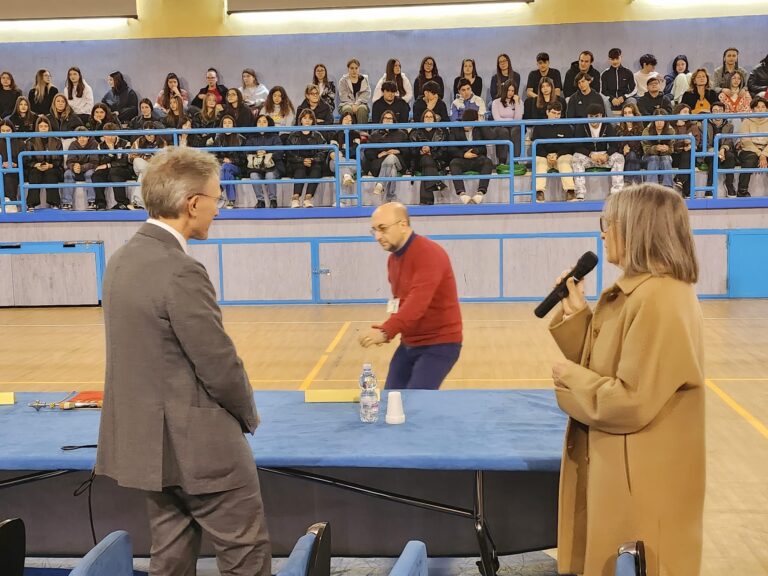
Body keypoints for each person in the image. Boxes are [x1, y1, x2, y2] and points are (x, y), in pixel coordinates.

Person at [96, 146, 271, 576]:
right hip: (203, 450)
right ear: (192, 204)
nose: (219, 207)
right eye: (217, 198)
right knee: (245, 557)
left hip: (150, 450)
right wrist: (248, 415)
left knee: (169, 558)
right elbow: (219, 365)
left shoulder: (120, 260)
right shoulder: (180, 270)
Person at [549, 183, 704, 576]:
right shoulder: (640, 293)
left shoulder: (660, 299)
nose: (602, 232)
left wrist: (570, 380)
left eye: (609, 223)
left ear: (636, 229)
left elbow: (630, 400)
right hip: (623, 464)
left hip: (640, 481)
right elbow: (611, 366)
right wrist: (578, 314)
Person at [359, 202, 462, 390]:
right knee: (392, 399)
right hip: (409, 344)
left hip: (440, 344)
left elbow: (417, 304)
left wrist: (385, 332)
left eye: (382, 229)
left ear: (403, 225)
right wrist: (388, 329)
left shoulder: (428, 254)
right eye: (374, 230)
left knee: (415, 403)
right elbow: (400, 303)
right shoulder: (393, 260)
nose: (378, 236)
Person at [571, 103, 624, 199]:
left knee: (619, 158)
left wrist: (607, 155)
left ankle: (616, 193)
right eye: (591, 116)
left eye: (597, 116)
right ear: (587, 116)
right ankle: (580, 193)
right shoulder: (581, 126)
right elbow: (577, 146)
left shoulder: (607, 126)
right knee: (575, 158)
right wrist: (590, 154)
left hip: (604, 156)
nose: (594, 119)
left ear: (601, 116)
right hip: (588, 157)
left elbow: (614, 145)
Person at [447, 108, 495, 205]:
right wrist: (463, 154)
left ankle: (480, 193)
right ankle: (462, 194)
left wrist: (481, 124)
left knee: (488, 162)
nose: (465, 125)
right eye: (464, 122)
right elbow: (451, 148)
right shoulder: (456, 128)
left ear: (475, 122)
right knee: (453, 163)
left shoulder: (479, 128)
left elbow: (491, 138)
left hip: (477, 157)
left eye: (469, 122)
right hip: (462, 158)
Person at [531, 101, 574, 202]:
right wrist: (546, 155)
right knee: (539, 162)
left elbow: (569, 146)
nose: (556, 116)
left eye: (558, 114)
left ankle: (570, 192)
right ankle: (539, 193)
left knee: (565, 161)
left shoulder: (565, 126)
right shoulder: (539, 126)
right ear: (547, 112)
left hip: (560, 156)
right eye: (553, 113)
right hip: (545, 156)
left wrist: (557, 155)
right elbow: (536, 146)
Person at [365, 109, 409, 202]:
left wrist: (398, 151)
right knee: (391, 169)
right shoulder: (374, 135)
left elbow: (408, 150)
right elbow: (368, 152)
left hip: (398, 161)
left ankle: (380, 184)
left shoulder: (401, 134)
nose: (388, 120)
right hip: (379, 163)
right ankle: (390, 198)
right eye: (385, 118)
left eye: (390, 119)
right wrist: (378, 154)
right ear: (382, 120)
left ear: (394, 120)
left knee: (391, 157)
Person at [286, 109, 326, 208]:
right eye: (305, 118)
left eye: (310, 118)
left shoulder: (317, 135)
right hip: (297, 163)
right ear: (301, 120)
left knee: (317, 169)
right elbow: (289, 153)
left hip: (313, 162)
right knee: (300, 169)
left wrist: (313, 160)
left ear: (313, 121)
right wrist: (301, 160)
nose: (307, 120)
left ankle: (308, 198)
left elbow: (323, 151)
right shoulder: (293, 135)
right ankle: (295, 199)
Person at [24, 115, 63, 211]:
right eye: (41, 127)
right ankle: (31, 204)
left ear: (49, 127)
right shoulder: (31, 141)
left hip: (53, 167)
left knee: (51, 173)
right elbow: (27, 160)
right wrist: (36, 165)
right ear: (37, 127)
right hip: (36, 168)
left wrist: (51, 165)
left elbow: (59, 159)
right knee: (34, 174)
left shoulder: (57, 141)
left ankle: (55, 204)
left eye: (45, 126)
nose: (43, 129)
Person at [409, 108, 447, 205]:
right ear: (423, 119)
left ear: (434, 119)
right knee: (425, 158)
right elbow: (411, 151)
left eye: (431, 117)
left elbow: (444, 151)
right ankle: (437, 182)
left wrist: (431, 152)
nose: (429, 119)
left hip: (436, 161)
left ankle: (425, 201)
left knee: (427, 162)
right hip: (419, 161)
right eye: (426, 117)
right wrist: (420, 151)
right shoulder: (415, 132)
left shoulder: (441, 132)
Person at [91, 123, 132, 210]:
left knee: (115, 172)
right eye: (107, 135)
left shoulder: (125, 143)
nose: (110, 138)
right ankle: (100, 203)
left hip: (123, 170)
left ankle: (122, 203)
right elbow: (100, 162)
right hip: (109, 170)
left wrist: (108, 165)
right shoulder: (100, 146)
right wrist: (110, 153)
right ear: (103, 135)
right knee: (97, 175)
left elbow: (124, 162)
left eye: (112, 134)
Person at [247, 114, 284, 209]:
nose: (261, 124)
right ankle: (260, 201)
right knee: (253, 175)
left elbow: (280, 152)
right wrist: (256, 153)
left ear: (269, 124)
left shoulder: (275, 137)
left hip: (273, 166)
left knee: (270, 175)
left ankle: (273, 200)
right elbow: (246, 152)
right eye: (259, 122)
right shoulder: (251, 137)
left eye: (264, 122)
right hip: (257, 167)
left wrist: (267, 153)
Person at [129, 122, 167, 208]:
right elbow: (131, 157)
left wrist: (153, 159)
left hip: (155, 168)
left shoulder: (162, 142)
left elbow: (165, 158)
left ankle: (138, 202)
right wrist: (145, 157)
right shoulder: (138, 141)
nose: (149, 136)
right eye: (147, 134)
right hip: (141, 165)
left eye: (151, 134)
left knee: (144, 173)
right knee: (138, 161)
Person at [212, 115, 246, 209]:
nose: (227, 125)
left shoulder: (240, 138)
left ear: (233, 125)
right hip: (223, 167)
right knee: (228, 173)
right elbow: (214, 156)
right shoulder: (218, 138)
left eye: (229, 123)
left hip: (237, 166)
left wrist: (231, 161)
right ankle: (231, 200)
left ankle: (220, 189)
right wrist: (223, 160)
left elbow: (243, 159)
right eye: (225, 123)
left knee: (226, 167)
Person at [737, 97, 768, 198]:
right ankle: (742, 191)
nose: (760, 109)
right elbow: (745, 142)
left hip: (765, 149)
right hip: (749, 149)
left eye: (763, 107)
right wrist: (760, 155)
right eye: (757, 107)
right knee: (750, 159)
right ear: (753, 109)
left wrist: (764, 154)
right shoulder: (747, 121)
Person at [705, 102, 736, 198]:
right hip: (710, 152)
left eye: (720, 110)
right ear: (711, 112)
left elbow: (729, 141)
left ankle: (729, 185)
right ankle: (709, 189)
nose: (717, 113)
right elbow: (704, 144)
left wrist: (722, 150)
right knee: (714, 158)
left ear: (724, 112)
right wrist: (716, 152)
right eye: (715, 110)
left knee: (731, 156)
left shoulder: (729, 125)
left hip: (725, 151)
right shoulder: (705, 125)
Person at [670, 102, 702, 197]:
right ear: (677, 113)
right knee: (688, 159)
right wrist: (683, 141)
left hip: (686, 154)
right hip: (674, 153)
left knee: (688, 154)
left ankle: (680, 180)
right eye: (684, 112)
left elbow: (696, 140)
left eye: (688, 112)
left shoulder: (693, 126)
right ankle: (688, 191)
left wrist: (691, 145)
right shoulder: (671, 125)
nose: (687, 114)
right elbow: (671, 141)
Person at [63, 126, 99, 210]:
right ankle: (67, 202)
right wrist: (73, 166)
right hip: (75, 169)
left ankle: (91, 201)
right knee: (67, 174)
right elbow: (69, 161)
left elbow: (94, 162)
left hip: (88, 169)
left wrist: (82, 167)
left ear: (88, 137)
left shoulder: (94, 144)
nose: (82, 139)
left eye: (84, 136)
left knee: (90, 174)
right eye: (79, 137)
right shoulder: (73, 144)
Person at [490, 79, 523, 165]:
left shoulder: (519, 102)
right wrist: (511, 121)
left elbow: (518, 119)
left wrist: (516, 103)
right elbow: (497, 120)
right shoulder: (496, 102)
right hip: (500, 127)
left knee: (516, 130)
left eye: (513, 91)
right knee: (503, 132)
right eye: (508, 90)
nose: (510, 93)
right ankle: (502, 161)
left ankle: (515, 161)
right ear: (504, 90)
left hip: (514, 127)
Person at [329, 111, 360, 196]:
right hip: (335, 161)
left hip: (352, 161)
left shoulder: (356, 135)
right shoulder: (335, 135)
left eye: (350, 120)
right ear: (341, 120)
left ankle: (341, 200)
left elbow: (355, 149)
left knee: (340, 168)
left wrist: (341, 153)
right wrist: (333, 154)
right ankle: (347, 175)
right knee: (338, 163)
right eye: (345, 119)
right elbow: (332, 150)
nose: (347, 121)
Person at [641, 110, 675, 188]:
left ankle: (668, 186)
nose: (659, 122)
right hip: (648, 156)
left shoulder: (671, 130)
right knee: (654, 158)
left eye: (662, 120)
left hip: (664, 155)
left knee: (666, 159)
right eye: (657, 120)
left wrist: (666, 149)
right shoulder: (647, 130)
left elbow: (672, 149)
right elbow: (645, 149)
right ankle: (652, 187)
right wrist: (656, 148)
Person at [616, 103, 644, 186]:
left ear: (634, 114)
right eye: (625, 113)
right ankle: (636, 185)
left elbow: (639, 147)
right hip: (622, 155)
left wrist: (627, 147)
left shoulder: (640, 129)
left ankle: (628, 183)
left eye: (630, 112)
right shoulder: (618, 128)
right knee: (630, 155)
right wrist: (623, 150)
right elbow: (615, 145)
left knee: (632, 155)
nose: (627, 115)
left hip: (637, 155)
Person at [338, 58, 371, 124]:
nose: (354, 70)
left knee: (362, 109)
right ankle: (348, 132)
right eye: (352, 68)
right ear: (348, 69)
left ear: (359, 68)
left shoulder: (364, 79)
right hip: (346, 103)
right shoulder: (343, 80)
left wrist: (356, 104)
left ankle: (362, 132)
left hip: (361, 103)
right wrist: (352, 105)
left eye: (356, 68)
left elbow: (366, 93)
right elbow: (343, 96)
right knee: (347, 109)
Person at [1, 120, 23, 204]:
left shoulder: (20, 143)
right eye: (3, 131)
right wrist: (2, 164)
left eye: (8, 130)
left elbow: (25, 159)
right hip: (1, 168)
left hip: (15, 169)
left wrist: (15, 164)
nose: (5, 133)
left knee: (10, 175)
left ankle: (12, 203)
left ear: (12, 130)